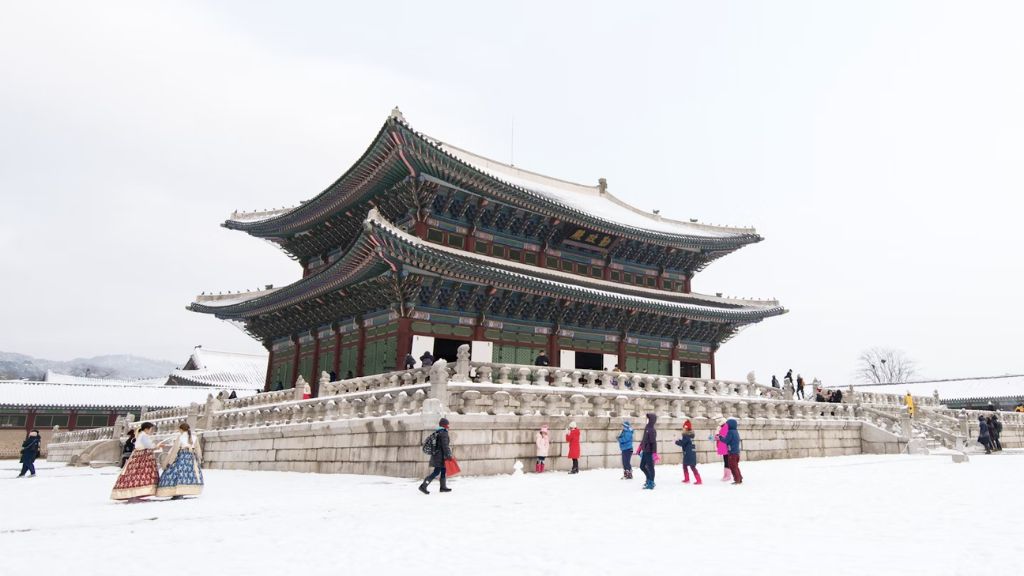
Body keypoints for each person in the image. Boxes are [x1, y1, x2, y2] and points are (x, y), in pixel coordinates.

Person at [111, 422, 163, 501]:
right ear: (146, 429)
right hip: (142, 457)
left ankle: (135, 494)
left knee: (136, 474)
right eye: (151, 429)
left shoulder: (141, 435)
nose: (151, 431)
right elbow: (149, 446)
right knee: (140, 474)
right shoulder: (143, 435)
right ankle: (134, 494)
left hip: (139, 455)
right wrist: (157, 446)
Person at [156, 423, 204, 499]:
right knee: (189, 473)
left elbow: (175, 450)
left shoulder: (180, 437)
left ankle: (177, 492)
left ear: (181, 429)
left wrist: (170, 461)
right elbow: (198, 449)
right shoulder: (194, 437)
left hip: (182, 456)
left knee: (177, 472)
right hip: (191, 457)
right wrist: (199, 458)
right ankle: (186, 490)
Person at [419, 418, 452, 494]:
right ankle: (423, 486)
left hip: (439, 456)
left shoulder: (438, 432)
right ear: (445, 425)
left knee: (443, 470)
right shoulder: (444, 433)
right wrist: (449, 455)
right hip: (440, 457)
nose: (448, 426)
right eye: (447, 424)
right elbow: (445, 446)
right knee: (436, 472)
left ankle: (443, 487)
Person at [716, 418, 743, 485]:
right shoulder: (736, 431)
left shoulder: (730, 432)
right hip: (736, 452)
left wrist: (720, 437)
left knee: (733, 467)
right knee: (736, 466)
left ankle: (737, 480)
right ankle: (739, 478)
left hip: (732, 453)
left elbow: (726, 441)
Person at [674, 419, 701, 485]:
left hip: (688, 454)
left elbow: (683, 443)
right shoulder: (690, 436)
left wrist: (676, 441)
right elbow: (685, 443)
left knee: (691, 467)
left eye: (683, 427)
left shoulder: (686, 436)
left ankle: (698, 480)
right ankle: (687, 479)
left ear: (686, 428)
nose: (682, 429)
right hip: (691, 453)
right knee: (686, 466)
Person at [637, 413, 657, 489]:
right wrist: (640, 447)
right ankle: (649, 479)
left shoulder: (652, 430)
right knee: (642, 466)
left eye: (648, 419)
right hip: (645, 451)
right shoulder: (647, 428)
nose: (646, 420)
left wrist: (654, 453)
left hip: (649, 452)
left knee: (650, 467)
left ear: (651, 420)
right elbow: (644, 440)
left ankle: (651, 483)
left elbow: (653, 442)